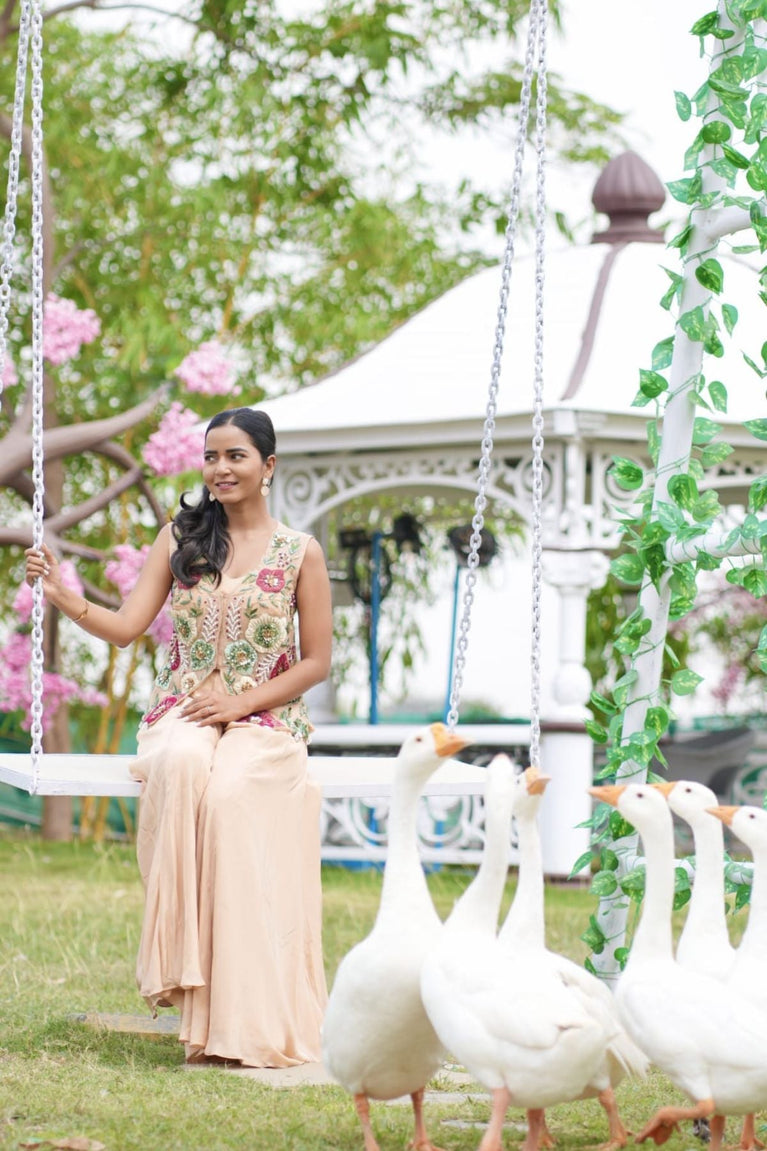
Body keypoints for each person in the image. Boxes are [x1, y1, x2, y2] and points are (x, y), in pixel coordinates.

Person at [25, 406, 332, 1067]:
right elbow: (125, 627)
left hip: (264, 718)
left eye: (235, 456)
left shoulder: (299, 552)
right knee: (185, 767)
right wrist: (62, 593)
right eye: (211, 456)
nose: (220, 468)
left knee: (230, 800)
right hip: (184, 712)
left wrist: (240, 703)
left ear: (267, 465)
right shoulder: (181, 539)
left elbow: (316, 662)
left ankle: (245, 1018)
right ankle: (178, 968)